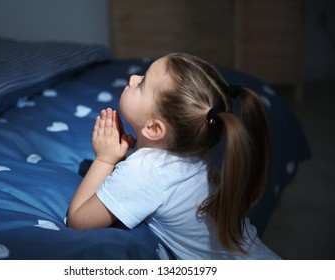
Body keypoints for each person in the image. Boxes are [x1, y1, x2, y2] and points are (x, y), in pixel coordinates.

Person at [67, 52, 280, 259]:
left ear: (153, 129)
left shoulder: (146, 171)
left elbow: (78, 222)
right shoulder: (194, 153)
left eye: (142, 84)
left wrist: (104, 159)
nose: (133, 78)